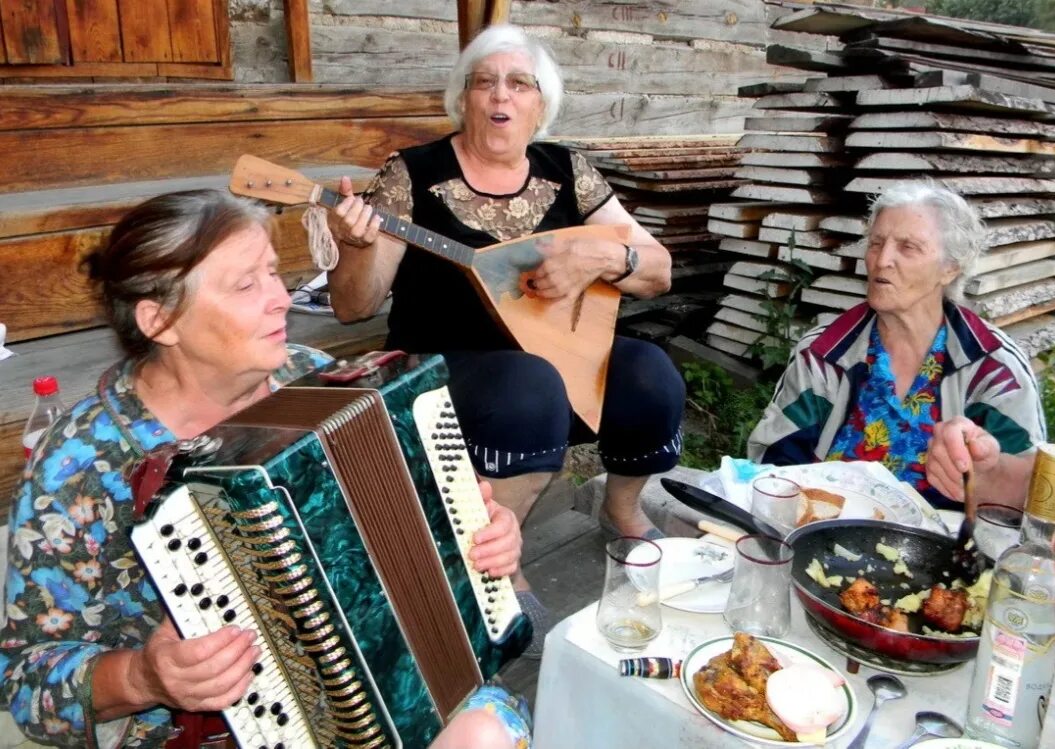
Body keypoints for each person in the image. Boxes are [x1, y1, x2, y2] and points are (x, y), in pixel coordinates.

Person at [0, 190, 529, 748]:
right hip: (207, 733)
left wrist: (479, 535)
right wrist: (143, 676)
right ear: (160, 321)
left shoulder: (320, 382)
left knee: (481, 734)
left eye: (274, 274)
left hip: (402, 680)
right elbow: (28, 682)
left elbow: (422, 525)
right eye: (245, 284)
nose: (281, 299)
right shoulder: (80, 465)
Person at [324, 24, 686, 619]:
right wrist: (357, 246)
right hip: (445, 368)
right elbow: (352, 307)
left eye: (520, 84)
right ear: (462, 99)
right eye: (485, 82)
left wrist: (606, 255)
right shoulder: (411, 172)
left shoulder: (568, 169)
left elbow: (658, 269)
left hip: (553, 354)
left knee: (649, 371)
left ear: (542, 103)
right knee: (528, 385)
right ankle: (502, 557)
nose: (501, 96)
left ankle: (620, 510)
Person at [748, 180, 1045, 511]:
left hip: (944, 552)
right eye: (876, 243)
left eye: (908, 247)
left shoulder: (994, 369)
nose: (882, 260)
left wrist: (988, 474)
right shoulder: (825, 354)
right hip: (821, 533)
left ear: (950, 268)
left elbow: (1033, 496)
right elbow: (772, 465)